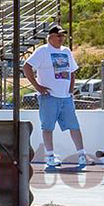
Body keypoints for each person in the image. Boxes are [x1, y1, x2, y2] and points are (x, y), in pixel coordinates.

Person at [23, 25, 87, 171]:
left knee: (74, 126)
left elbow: (72, 71)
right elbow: (27, 67)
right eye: (58, 36)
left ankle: (81, 154)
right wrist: (38, 87)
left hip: (65, 97)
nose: (61, 38)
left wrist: (71, 90)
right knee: (47, 126)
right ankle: (50, 157)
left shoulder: (66, 51)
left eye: (62, 36)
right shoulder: (43, 51)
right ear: (50, 37)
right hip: (49, 97)